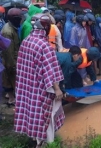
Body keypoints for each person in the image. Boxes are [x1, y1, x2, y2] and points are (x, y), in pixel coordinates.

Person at [14, 13, 65, 147]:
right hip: (41, 90)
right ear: (46, 27)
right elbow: (50, 72)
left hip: (28, 88)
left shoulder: (26, 41)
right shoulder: (44, 46)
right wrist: (57, 89)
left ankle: (35, 138)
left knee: (32, 113)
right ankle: (47, 143)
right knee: (47, 117)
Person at [1, 8, 22, 106]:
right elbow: (8, 52)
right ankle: (13, 99)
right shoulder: (8, 32)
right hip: (10, 62)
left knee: (10, 81)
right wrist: (13, 66)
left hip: (12, 60)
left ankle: (12, 99)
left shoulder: (12, 28)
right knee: (12, 81)